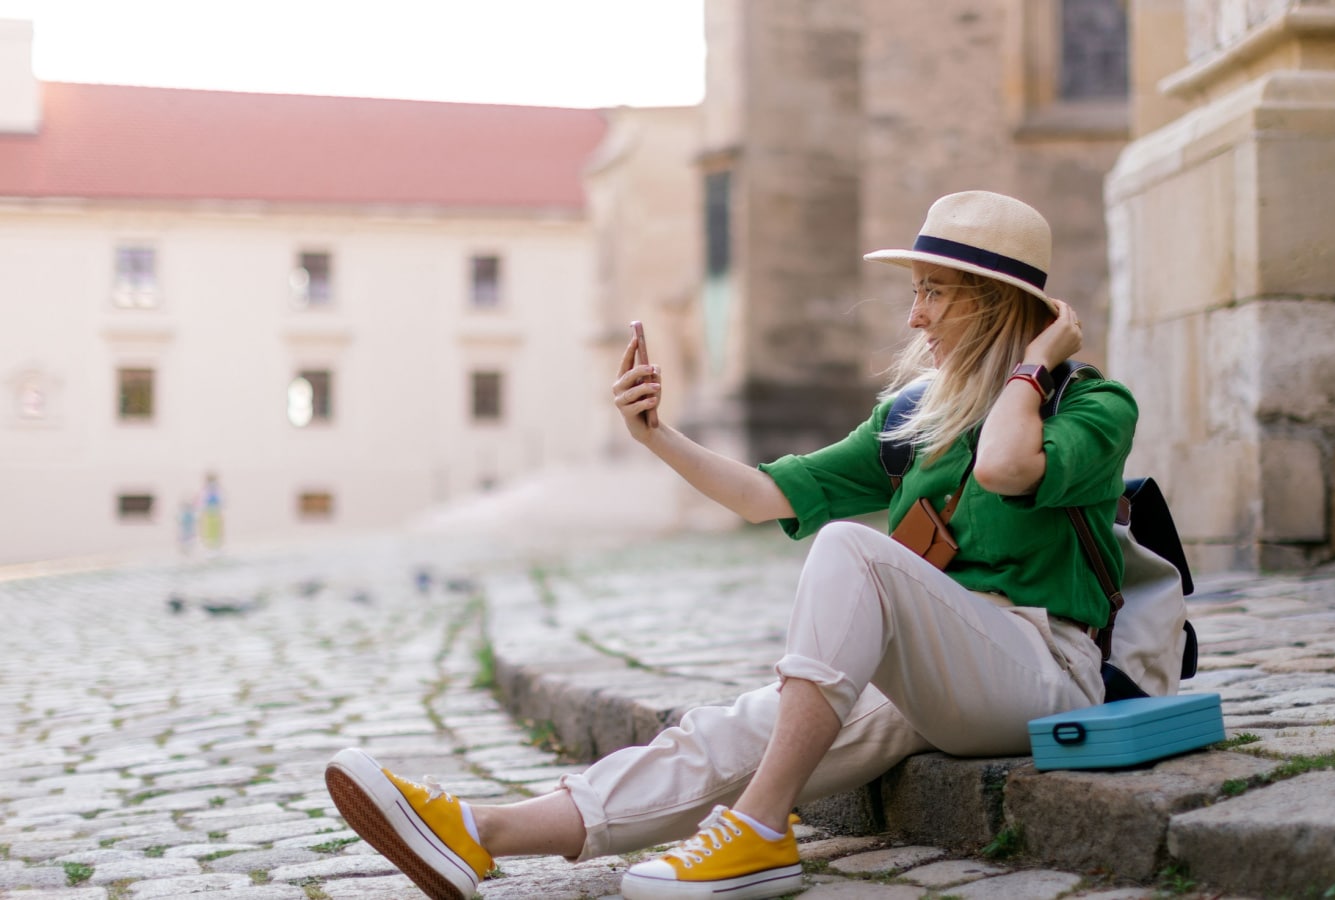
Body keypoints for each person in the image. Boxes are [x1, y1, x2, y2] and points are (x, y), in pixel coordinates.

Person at [323, 191, 1138, 900]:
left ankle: (758, 828)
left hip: (1045, 675)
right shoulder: (915, 415)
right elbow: (764, 495)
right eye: (915, 291)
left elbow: (1003, 468)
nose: (914, 313)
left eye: (933, 292)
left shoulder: (1090, 405)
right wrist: (657, 435)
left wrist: (1032, 365)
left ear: (995, 302)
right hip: (942, 678)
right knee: (725, 736)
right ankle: (481, 833)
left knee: (852, 553)